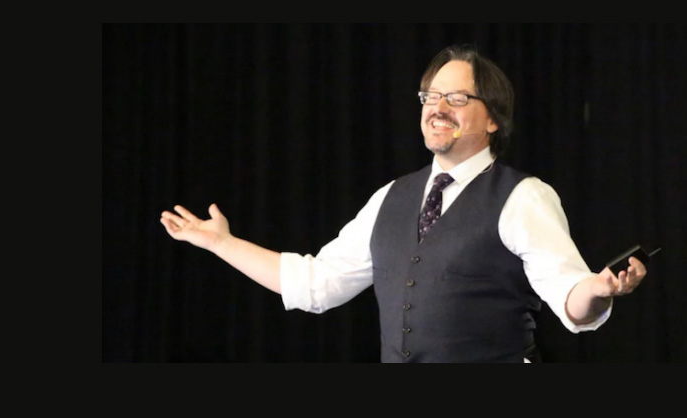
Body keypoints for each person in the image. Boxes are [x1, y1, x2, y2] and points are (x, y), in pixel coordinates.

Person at [160, 44, 647, 363]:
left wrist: (598, 289)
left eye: (457, 98)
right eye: (430, 97)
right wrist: (221, 243)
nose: (437, 108)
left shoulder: (523, 197)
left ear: (493, 119)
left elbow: (571, 300)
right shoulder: (389, 198)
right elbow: (315, 284)